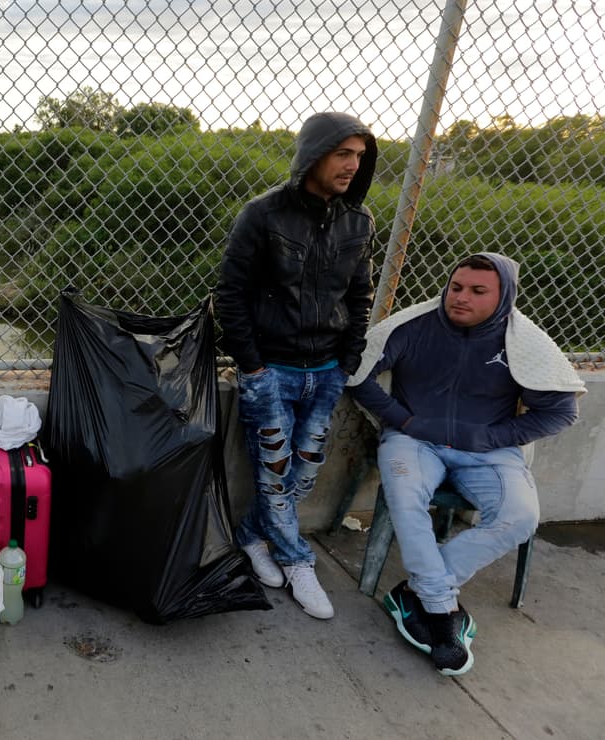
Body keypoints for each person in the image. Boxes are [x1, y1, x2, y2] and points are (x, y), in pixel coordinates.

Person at [348, 252, 583, 675]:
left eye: (477, 291)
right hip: (413, 439)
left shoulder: (523, 341)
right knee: (405, 499)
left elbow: (562, 411)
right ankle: (441, 612)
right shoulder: (413, 325)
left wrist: (493, 437)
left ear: (504, 296)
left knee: (519, 516)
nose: (460, 298)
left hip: (489, 448)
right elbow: (357, 373)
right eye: (456, 287)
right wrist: (401, 419)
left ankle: (419, 594)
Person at [215, 112, 378, 619]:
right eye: (342, 153)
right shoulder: (262, 215)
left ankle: (251, 536)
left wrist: (348, 358)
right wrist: (253, 367)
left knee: (303, 472)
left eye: (359, 155)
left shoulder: (359, 221)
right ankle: (296, 558)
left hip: (327, 371)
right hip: (272, 370)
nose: (352, 165)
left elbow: (360, 294)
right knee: (274, 470)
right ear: (314, 154)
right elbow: (230, 294)